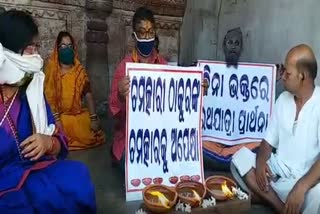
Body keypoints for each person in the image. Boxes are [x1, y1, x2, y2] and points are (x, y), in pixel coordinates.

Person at [0, 10, 96, 213]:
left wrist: (47, 142)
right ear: (8, 50)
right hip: (4, 180)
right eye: (29, 48)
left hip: (35, 169)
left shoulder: (31, 87)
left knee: (79, 176)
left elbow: (59, 141)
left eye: (37, 46)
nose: (36, 55)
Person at [232, 44, 320, 214]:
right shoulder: (283, 100)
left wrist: (301, 187)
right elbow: (267, 143)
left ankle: (264, 196)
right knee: (240, 157)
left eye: (288, 73)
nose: (283, 77)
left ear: (302, 77)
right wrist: (260, 164)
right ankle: (279, 206)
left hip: (306, 180)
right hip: (276, 172)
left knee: (318, 195)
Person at [109, 7, 167, 171]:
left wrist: (196, 90)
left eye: (150, 32)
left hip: (157, 134)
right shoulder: (124, 67)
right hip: (130, 137)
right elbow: (114, 114)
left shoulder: (163, 65)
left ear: (155, 33)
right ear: (134, 35)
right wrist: (121, 95)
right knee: (136, 166)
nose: (147, 36)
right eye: (142, 32)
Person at [202, 27, 259, 169]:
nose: (233, 46)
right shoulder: (209, 74)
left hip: (237, 140)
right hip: (213, 139)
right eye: (230, 42)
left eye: (237, 43)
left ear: (241, 49)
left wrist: (272, 79)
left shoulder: (252, 78)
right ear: (223, 46)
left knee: (260, 142)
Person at [44, 31, 104, 150]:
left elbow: (88, 94)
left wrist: (93, 117)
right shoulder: (52, 69)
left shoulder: (79, 70)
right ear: (57, 49)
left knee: (91, 126)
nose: (67, 49)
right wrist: (57, 120)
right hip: (59, 116)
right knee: (58, 126)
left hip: (77, 114)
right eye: (63, 46)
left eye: (70, 46)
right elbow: (49, 98)